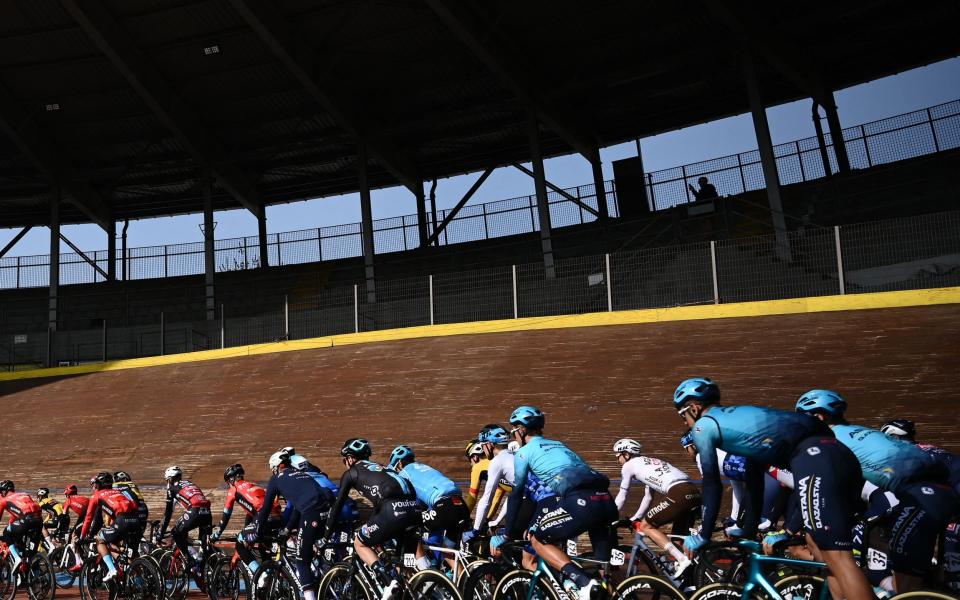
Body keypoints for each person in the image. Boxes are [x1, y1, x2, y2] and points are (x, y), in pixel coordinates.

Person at [675, 378, 874, 600]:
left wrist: (703, 535)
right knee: (821, 549)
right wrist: (749, 531)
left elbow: (712, 485)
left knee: (838, 556)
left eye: (682, 415)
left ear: (694, 407)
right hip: (837, 455)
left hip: (814, 458)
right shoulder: (741, 422)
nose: (684, 423)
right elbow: (754, 481)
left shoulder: (705, 425)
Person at [796, 393, 960, 593]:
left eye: (801, 417)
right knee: (935, 577)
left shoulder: (830, 443)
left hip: (926, 494)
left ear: (819, 417)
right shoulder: (859, 432)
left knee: (905, 584)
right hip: (942, 490)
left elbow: (823, 489)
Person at [503, 406, 617, 600]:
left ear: (521, 430)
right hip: (605, 500)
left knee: (537, 539)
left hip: (581, 502)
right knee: (603, 578)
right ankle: (609, 589)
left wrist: (507, 533)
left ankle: (582, 582)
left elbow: (517, 494)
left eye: (514, 430)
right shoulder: (559, 444)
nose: (513, 435)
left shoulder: (523, 453)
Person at [324, 438, 423, 600]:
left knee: (359, 543)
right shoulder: (382, 468)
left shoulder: (352, 473)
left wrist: (326, 536)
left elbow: (337, 507)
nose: (345, 463)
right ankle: (415, 587)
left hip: (392, 511)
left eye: (345, 460)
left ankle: (387, 581)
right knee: (404, 565)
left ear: (350, 458)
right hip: (414, 510)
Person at [613, 438, 700, 577]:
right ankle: (692, 574)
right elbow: (648, 497)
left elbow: (623, 495)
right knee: (677, 539)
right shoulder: (648, 462)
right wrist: (635, 518)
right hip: (693, 492)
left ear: (626, 454)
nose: (618, 460)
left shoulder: (628, 466)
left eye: (618, 456)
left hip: (679, 493)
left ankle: (683, 560)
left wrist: (611, 516)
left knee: (646, 526)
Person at [254, 451, 334, 600]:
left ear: (277, 467)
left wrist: (258, 531)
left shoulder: (276, 479)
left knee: (301, 561)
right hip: (329, 512)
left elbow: (265, 508)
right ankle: (326, 580)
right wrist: (288, 529)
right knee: (313, 550)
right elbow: (298, 507)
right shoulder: (301, 474)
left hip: (312, 514)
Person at [389, 445, 469, 568]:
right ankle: (467, 582)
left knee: (409, 530)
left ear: (399, 463)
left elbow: (409, 503)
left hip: (444, 506)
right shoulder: (425, 467)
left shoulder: (404, 473)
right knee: (448, 552)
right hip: (461, 505)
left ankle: (427, 576)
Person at [212, 463, 282, 576]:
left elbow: (226, 516)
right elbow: (250, 513)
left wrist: (216, 535)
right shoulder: (253, 486)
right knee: (264, 546)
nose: (228, 485)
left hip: (264, 519)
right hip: (278, 517)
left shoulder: (234, 489)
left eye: (228, 483)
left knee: (240, 543)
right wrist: (247, 529)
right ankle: (270, 577)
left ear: (231, 479)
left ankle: (260, 575)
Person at [79, 472, 138, 582]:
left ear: (99, 484)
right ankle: (140, 583)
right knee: (130, 557)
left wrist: (82, 537)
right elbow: (134, 504)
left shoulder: (96, 496)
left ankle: (112, 569)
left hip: (122, 521)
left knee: (99, 539)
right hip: (136, 520)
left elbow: (88, 518)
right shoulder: (120, 491)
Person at [158, 465, 212, 579]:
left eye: (167, 480)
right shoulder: (191, 483)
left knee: (176, 532)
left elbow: (168, 513)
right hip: (207, 512)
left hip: (195, 510)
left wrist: (161, 532)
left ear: (170, 479)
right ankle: (209, 567)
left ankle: (189, 559)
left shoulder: (171, 489)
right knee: (204, 543)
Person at [0, 480, 42, 573]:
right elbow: (15, 514)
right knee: (32, 554)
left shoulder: (3, 500)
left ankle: (17, 558)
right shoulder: (24, 494)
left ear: (4, 490)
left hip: (26, 521)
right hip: (38, 520)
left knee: (6, 532)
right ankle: (38, 579)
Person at [464, 439, 509, 523]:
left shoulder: (478, 467)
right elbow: (497, 497)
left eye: (469, 459)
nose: (470, 464)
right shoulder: (498, 459)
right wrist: (487, 520)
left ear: (475, 456)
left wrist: (461, 517)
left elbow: (472, 498)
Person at [113, 471, 149, 553]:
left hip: (133, 511)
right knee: (135, 537)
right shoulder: (133, 485)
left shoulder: (116, 486)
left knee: (118, 536)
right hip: (143, 510)